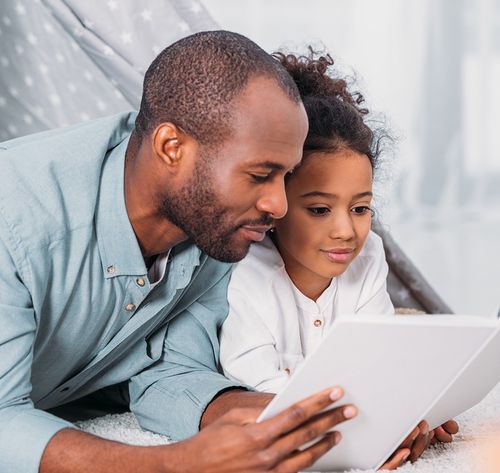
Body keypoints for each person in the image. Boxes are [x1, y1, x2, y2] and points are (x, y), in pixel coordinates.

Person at [0, 31, 357, 473]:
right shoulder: (14, 213)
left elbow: (169, 371)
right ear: (172, 147)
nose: (278, 206)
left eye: (286, 176)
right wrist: (174, 464)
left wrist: (301, 420)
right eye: (260, 174)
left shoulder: (213, 226)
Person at [219, 51, 459, 466]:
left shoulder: (368, 257)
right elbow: (261, 393)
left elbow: (379, 358)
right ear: (275, 207)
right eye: (318, 210)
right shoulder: (247, 273)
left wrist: (406, 409)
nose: (346, 231)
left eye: (361, 208)